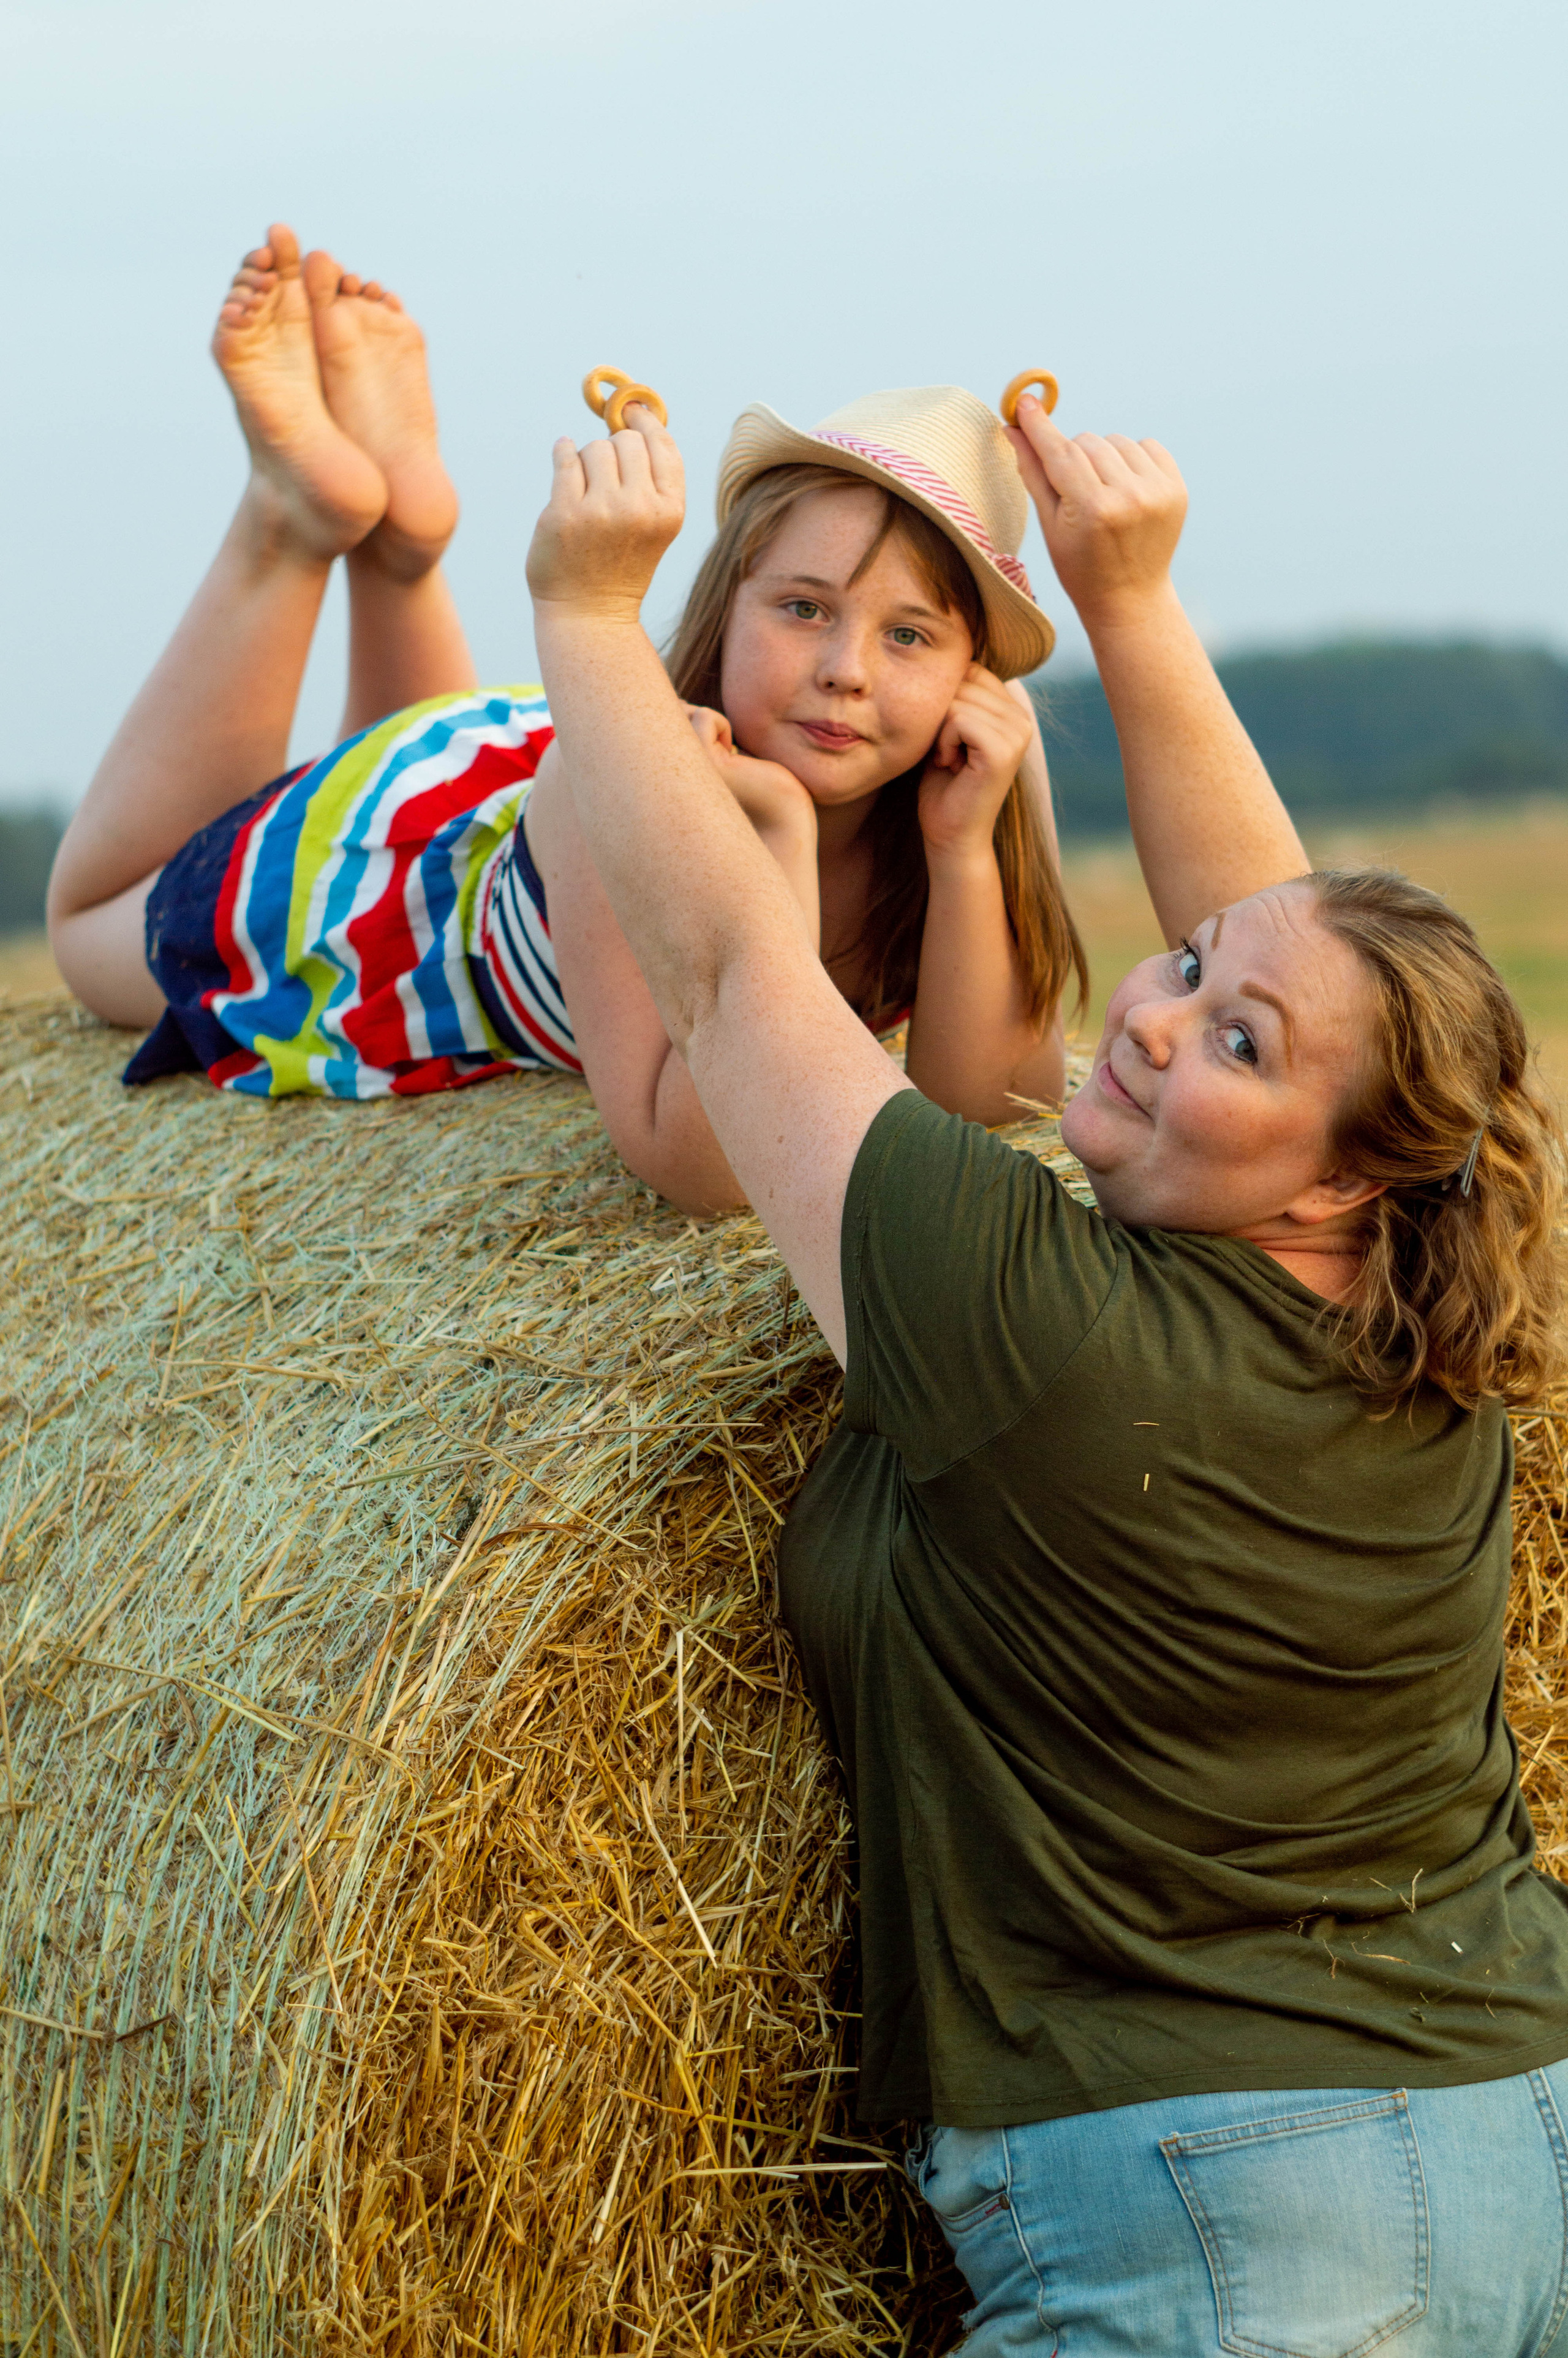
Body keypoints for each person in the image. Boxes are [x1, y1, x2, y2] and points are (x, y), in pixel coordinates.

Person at [522, 392, 1568, 2349]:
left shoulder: (1041, 1327)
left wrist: (588, 616)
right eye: (1178, 972)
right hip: (1526, 2141)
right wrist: (1135, 605)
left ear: (1344, 1174)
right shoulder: (1433, 1336)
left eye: (1235, 1046)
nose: (1161, 1020)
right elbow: (1323, 968)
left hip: (1244, 2233)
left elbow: (745, 985)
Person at [47, 225, 1100, 1214]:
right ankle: (287, 523)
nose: (845, 672)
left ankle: (402, 554)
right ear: (723, 609)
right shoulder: (621, 798)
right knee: (85, 927)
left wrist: (965, 856)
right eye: (803, 607)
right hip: (390, 887)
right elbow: (706, 1162)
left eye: (910, 636)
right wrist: (774, 827)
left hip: (506, 787)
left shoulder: (977, 779)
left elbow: (994, 1112)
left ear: (975, 670)